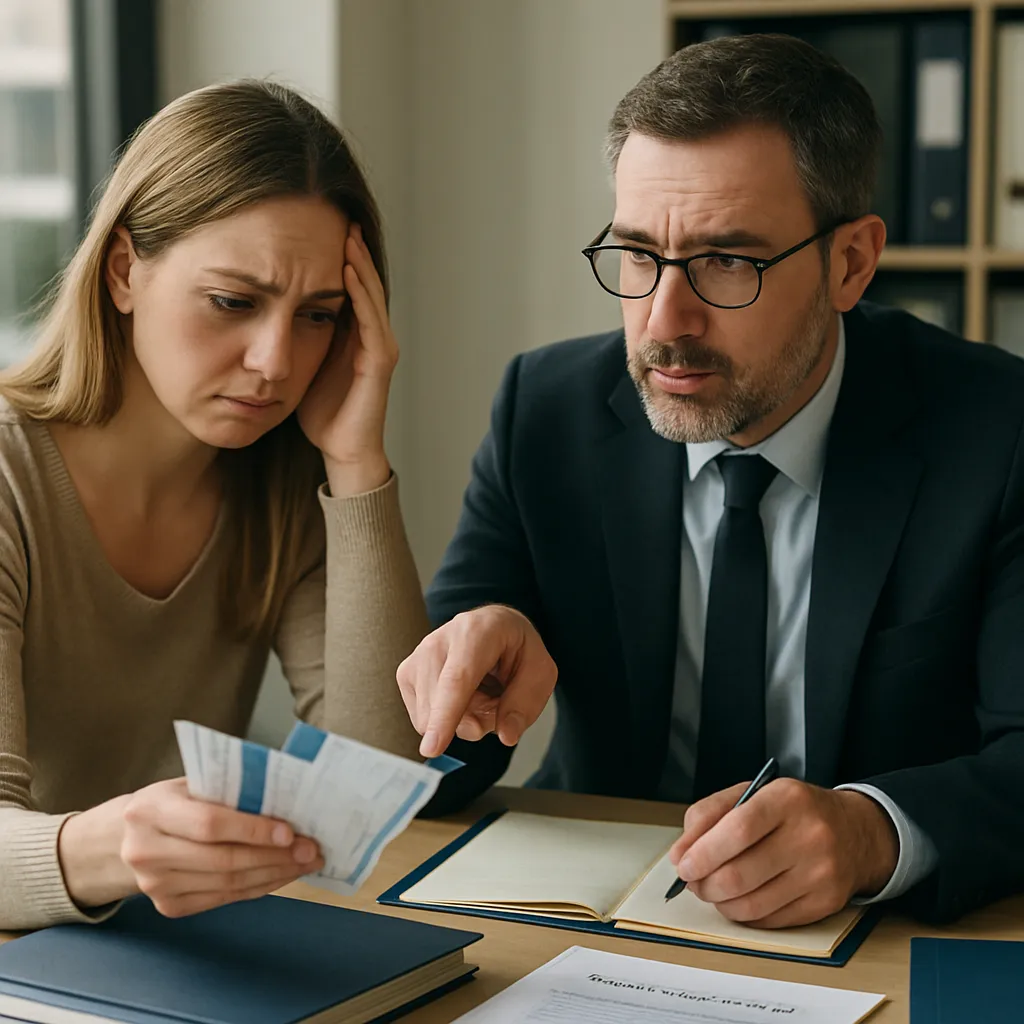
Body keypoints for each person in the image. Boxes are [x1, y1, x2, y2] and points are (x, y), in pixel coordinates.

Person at [401, 34, 1024, 928]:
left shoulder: (998, 430)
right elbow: (425, 777)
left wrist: (871, 834)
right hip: (585, 910)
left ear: (850, 262)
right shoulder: (547, 413)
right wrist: (465, 675)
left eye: (729, 261)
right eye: (639, 255)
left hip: (875, 933)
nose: (665, 320)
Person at [0, 80, 428, 931]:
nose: (275, 361)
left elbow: (375, 782)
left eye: (318, 316)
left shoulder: (282, 485)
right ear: (124, 271)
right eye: (234, 302)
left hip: (168, 956)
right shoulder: (10, 477)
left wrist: (355, 462)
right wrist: (114, 846)